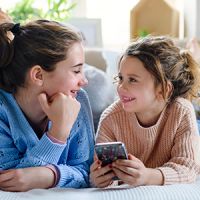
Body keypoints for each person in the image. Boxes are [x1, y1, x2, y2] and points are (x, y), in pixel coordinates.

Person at [90, 36, 200, 188]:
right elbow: (105, 176)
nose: (121, 87)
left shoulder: (181, 111)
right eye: (120, 78)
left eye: (133, 80)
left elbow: (189, 168)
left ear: (163, 89)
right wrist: (100, 179)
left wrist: (148, 176)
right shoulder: (110, 118)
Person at [0, 19, 94, 192]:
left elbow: (88, 173)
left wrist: (49, 176)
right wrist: (58, 133)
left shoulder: (78, 100)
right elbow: (12, 182)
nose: (84, 81)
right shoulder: (3, 110)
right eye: (76, 71)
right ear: (38, 75)